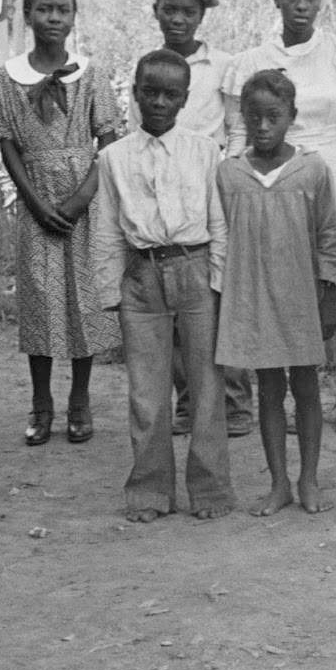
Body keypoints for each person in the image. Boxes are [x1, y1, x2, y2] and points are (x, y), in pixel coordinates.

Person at [224, 0, 336, 435]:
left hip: (333, 173)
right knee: (281, 283)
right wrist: (232, 185)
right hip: (271, 178)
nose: (302, 6)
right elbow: (236, 132)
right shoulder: (250, 61)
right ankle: (280, 393)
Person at [91, 50, 234, 523]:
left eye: (170, 94)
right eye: (149, 91)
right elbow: (108, 227)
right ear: (133, 92)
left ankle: (209, 490)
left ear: (185, 99)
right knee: (146, 394)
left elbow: (219, 222)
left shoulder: (205, 151)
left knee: (206, 388)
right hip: (142, 277)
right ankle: (150, 490)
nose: (158, 101)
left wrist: (217, 283)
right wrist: (111, 292)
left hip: (194, 271)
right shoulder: (113, 158)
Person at [0, 0, 123, 447]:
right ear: (27, 15)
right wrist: (34, 202)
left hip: (84, 200)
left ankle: (80, 401)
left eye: (62, 10)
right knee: (41, 301)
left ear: (73, 17)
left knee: (83, 300)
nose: (53, 19)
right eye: (43, 9)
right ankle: (41, 403)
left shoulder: (90, 75)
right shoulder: (6, 78)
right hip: (36, 200)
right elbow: (7, 142)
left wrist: (81, 198)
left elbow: (109, 144)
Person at [217, 71, 336, 517]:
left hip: (301, 296)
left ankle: (309, 479)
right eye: (255, 117)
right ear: (243, 118)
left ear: (291, 116)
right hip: (254, 296)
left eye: (274, 116)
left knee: (306, 387)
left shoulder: (312, 170)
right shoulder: (229, 175)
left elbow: (330, 233)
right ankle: (278, 483)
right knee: (269, 388)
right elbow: (222, 239)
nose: (264, 126)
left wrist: (327, 294)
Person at [149, 0, 254, 440]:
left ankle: (234, 401)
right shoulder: (149, 66)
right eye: (169, 10)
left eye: (187, 12)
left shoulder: (225, 65)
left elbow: (236, 129)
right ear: (155, 12)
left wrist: (225, 177)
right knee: (175, 298)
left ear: (201, 17)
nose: (178, 20)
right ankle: (189, 400)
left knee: (220, 294)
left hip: (212, 190)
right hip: (165, 196)